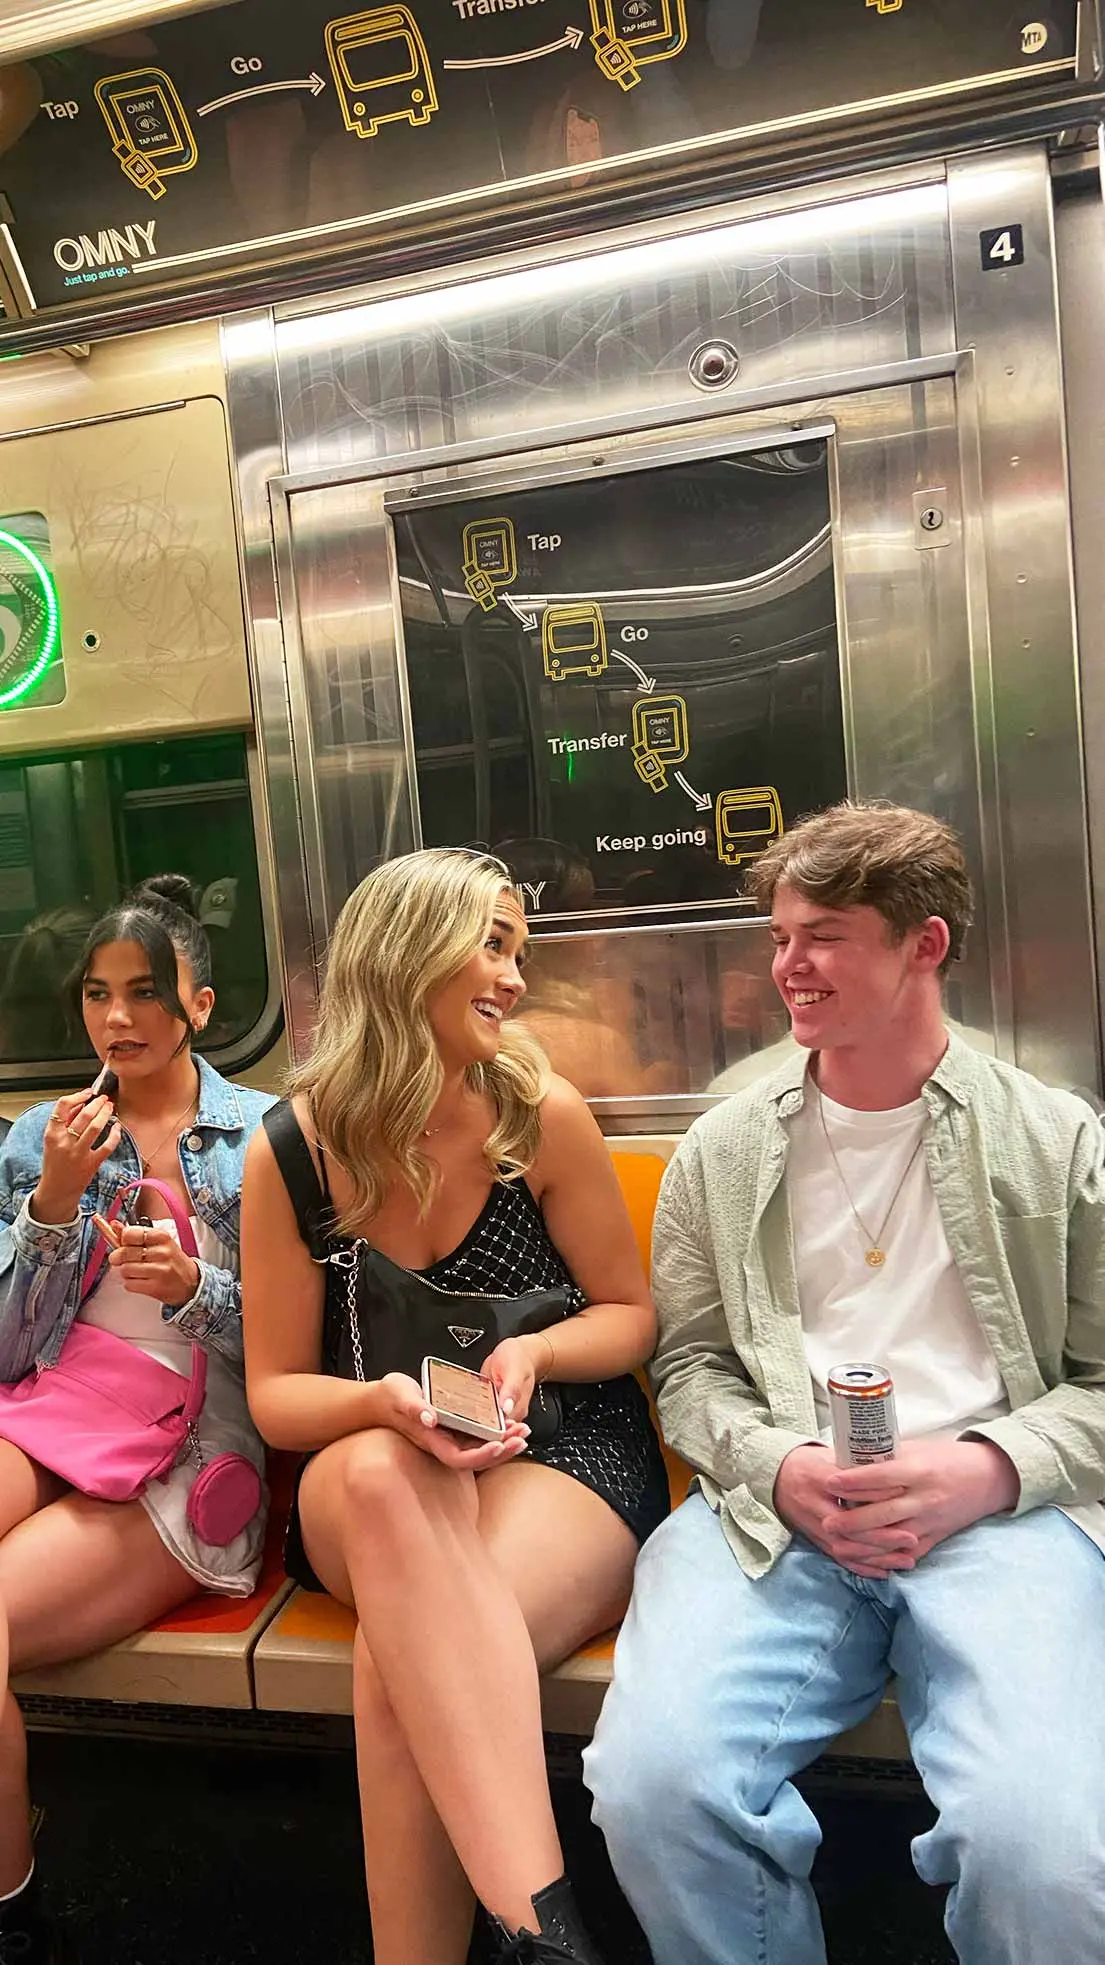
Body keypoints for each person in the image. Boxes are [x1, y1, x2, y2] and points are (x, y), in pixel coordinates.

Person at [584, 801, 1105, 1965]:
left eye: (824, 935)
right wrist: (780, 1465)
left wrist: (984, 1468)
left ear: (924, 944)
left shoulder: (1056, 1140)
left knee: (1045, 1850)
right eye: (780, 936)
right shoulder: (719, 1152)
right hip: (777, 1515)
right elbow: (692, 1370)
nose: (788, 966)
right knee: (653, 1790)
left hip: (1000, 1517)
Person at [241, 847, 669, 1965]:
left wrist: (532, 1352)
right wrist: (384, 1404)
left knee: (404, 1663)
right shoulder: (290, 1152)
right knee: (386, 1480)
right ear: (406, 953)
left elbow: (629, 1317)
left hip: (564, 1453)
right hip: (375, 1465)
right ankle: (545, 1928)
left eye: (518, 949)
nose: (515, 976)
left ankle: (526, 1938)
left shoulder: (539, 1118)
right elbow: (281, 1398)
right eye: (491, 943)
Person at [0, 874, 274, 1962]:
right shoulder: (42, 1136)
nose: (119, 1020)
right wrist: (53, 1204)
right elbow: (12, 1350)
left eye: (147, 992)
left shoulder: (268, 1141)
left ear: (201, 1006)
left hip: (197, 1441)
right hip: (55, 1403)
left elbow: (315, 1348)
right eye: (99, 995)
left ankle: (11, 1909)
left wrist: (193, 1290)